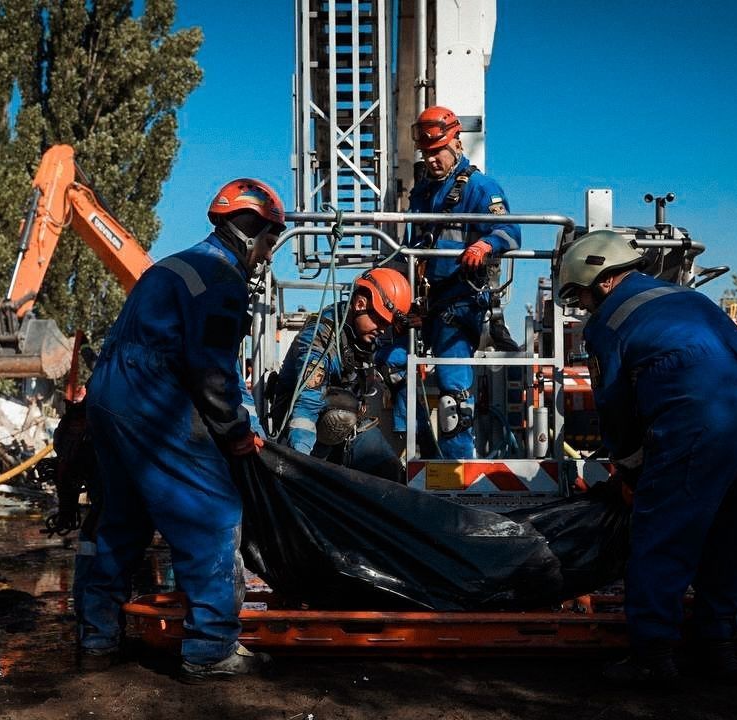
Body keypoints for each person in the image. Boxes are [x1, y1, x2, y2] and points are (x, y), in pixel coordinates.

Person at [556, 230, 737, 684]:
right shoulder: (688, 298)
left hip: (709, 424)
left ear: (603, 280)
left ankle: (653, 657)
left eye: (581, 296)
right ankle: (722, 649)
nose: (583, 307)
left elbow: (615, 408)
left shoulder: (609, 322)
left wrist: (629, 473)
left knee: (663, 534)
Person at [74, 178, 283, 681]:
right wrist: (235, 430)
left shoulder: (173, 265)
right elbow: (211, 369)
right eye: (270, 241)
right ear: (251, 231)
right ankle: (211, 649)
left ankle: (97, 637)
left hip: (107, 396)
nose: (268, 254)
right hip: (152, 398)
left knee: (123, 518)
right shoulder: (222, 278)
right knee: (212, 513)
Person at [400, 105, 522, 459]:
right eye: (426, 153)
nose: (431, 159)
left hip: (461, 301)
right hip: (426, 301)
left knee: (452, 393)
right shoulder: (423, 193)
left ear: (457, 143)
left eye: (437, 151)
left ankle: (458, 468)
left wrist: (486, 244)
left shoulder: (481, 187)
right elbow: (411, 247)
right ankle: (414, 450)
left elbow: (511, 232)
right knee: (394, 364)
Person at [269, 268, 412, 482]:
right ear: (360, 304)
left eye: (387, 324)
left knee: (388, 469)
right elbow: (306, 407)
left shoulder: (366, 337)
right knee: (337, 414)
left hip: (347, 427)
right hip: (307, 428)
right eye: (380, 321)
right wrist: (299, 466)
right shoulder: (320, 338)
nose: (383, 330)